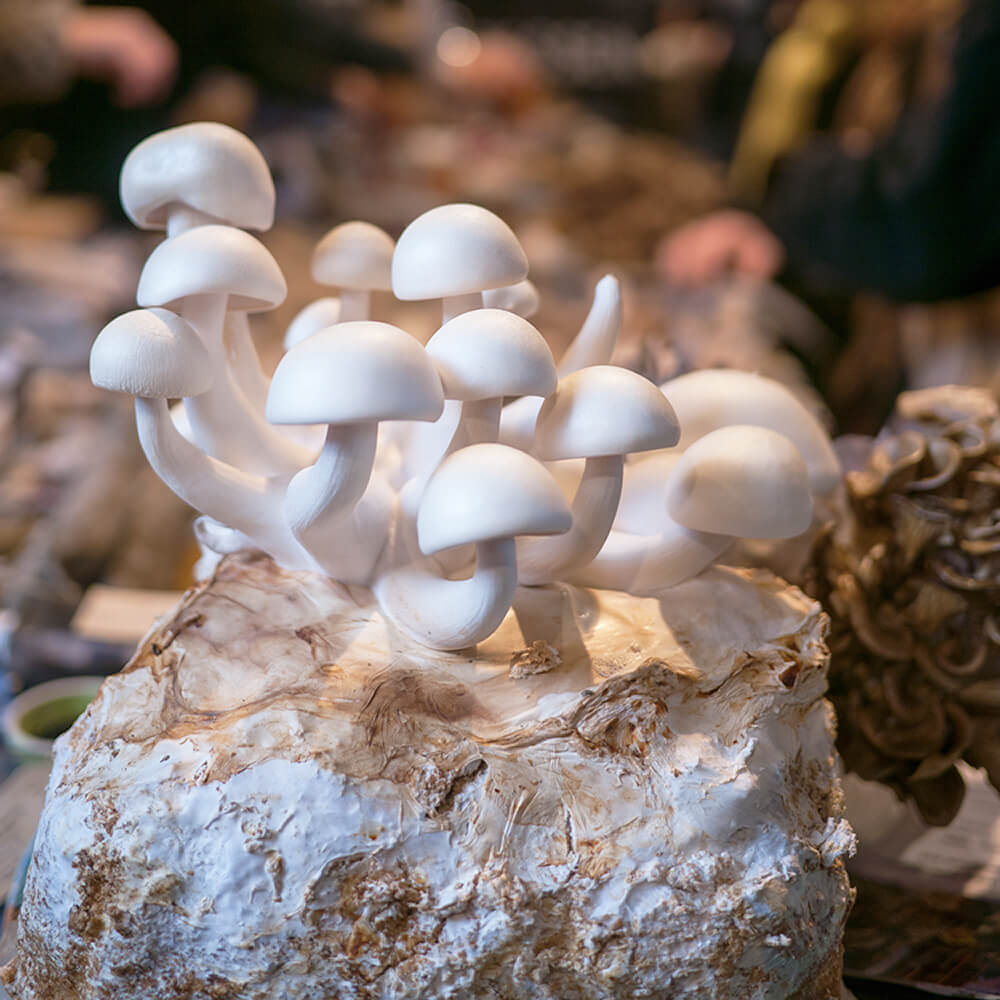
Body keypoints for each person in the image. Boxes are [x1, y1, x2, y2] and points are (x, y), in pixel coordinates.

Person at [659, 0, 999, 305]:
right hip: (836, 260)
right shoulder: (829, 21)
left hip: (946, 322)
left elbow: (933, 213)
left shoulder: (954, 24)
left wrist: (778, 215)